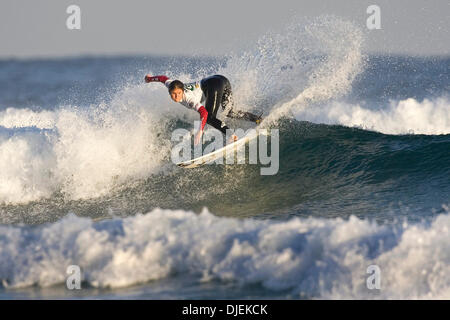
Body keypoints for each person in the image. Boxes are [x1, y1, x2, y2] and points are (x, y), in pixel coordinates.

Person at [145, 74, 262, 145]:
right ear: (169, 91)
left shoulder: (189, 99)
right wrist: (150, 79)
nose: (176, 97)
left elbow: (204, 113)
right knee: (230, 112)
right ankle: (257, 119)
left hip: (214, 85)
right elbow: (162, 78)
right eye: (173, 94)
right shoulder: (172, 85)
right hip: (221, 79)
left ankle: (231, 135)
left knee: (210, 118)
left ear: (182, 90)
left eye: (179, 93)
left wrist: (199, 131)